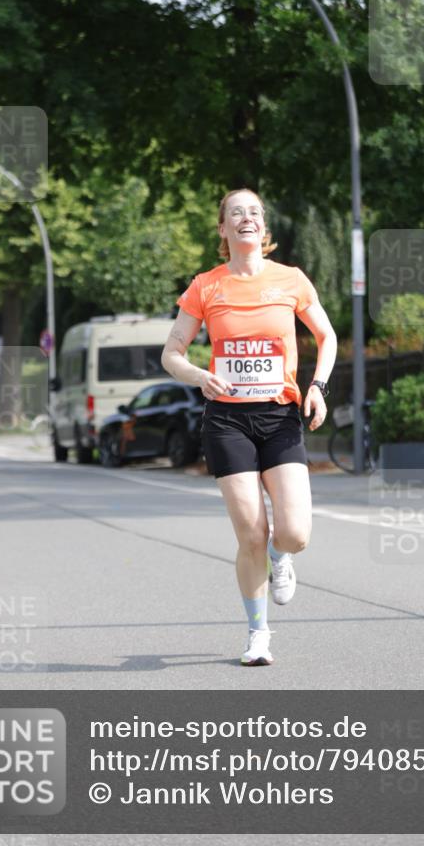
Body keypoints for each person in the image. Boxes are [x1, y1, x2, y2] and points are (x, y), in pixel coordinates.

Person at [161, 188, 337, 665]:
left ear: (264, 227)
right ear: (223, 228)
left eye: (254, 212)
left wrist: (318, 386)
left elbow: (327, 335)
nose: (246, 218)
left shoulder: (291, 280)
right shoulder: (206, 287)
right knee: (251, 534)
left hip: (280, 417)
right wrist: (199, 376)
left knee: (295, 534)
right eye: (236, 213)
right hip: (227, 420)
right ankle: (258, 634)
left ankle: (284, 559)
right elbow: (171, 353)